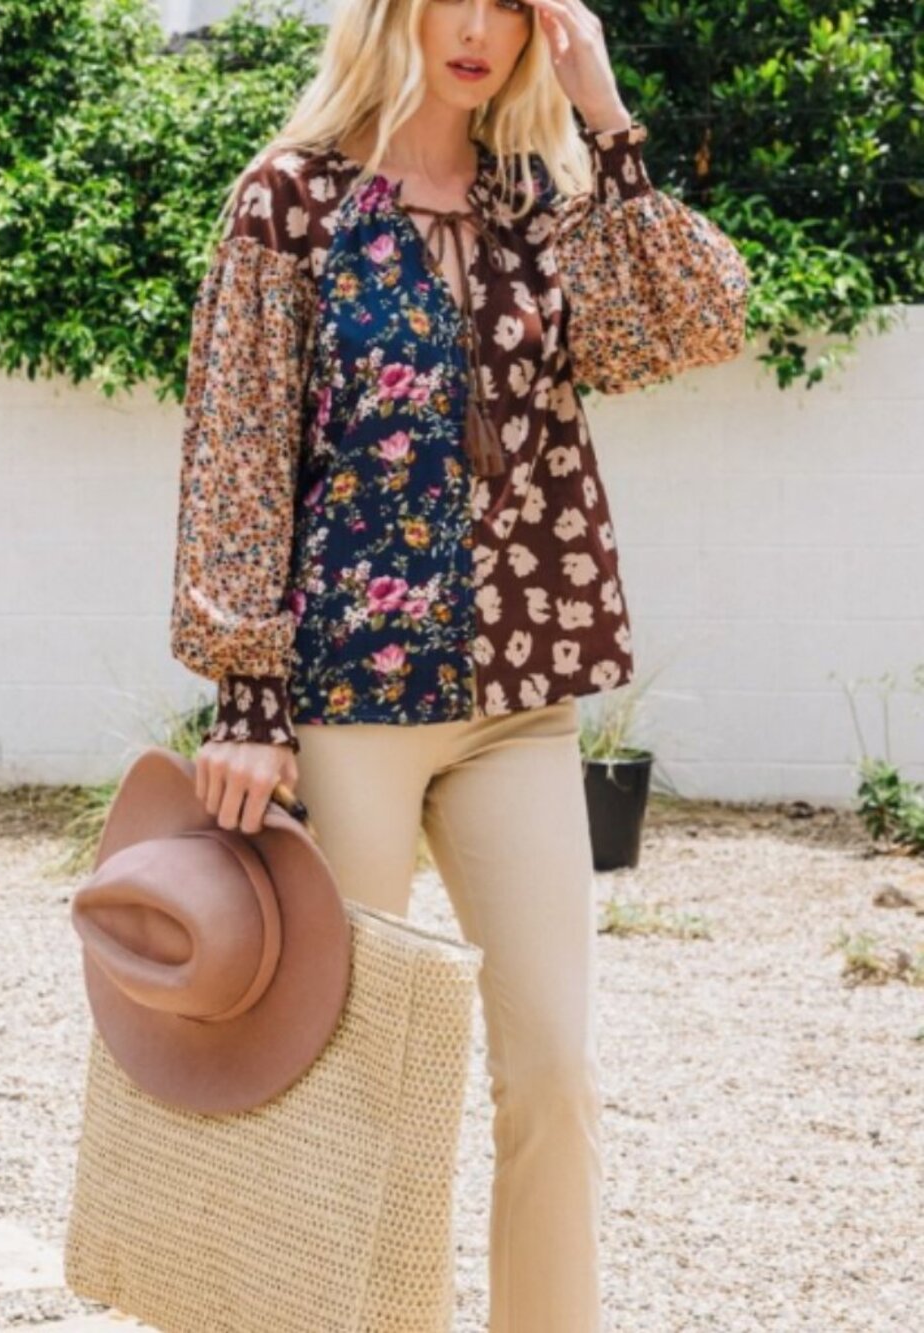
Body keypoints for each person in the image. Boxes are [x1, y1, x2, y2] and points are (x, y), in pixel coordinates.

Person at [169, 1, 750, 1327]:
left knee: (550, 1068)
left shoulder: (542, 199)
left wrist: (607, 114)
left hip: (518, 704)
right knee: (366, 1075)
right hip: (350, 702)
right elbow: (241, 452)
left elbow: (692, 318)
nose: (481, 28)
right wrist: (248, 696)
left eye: (513, 3)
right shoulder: (291, 200)